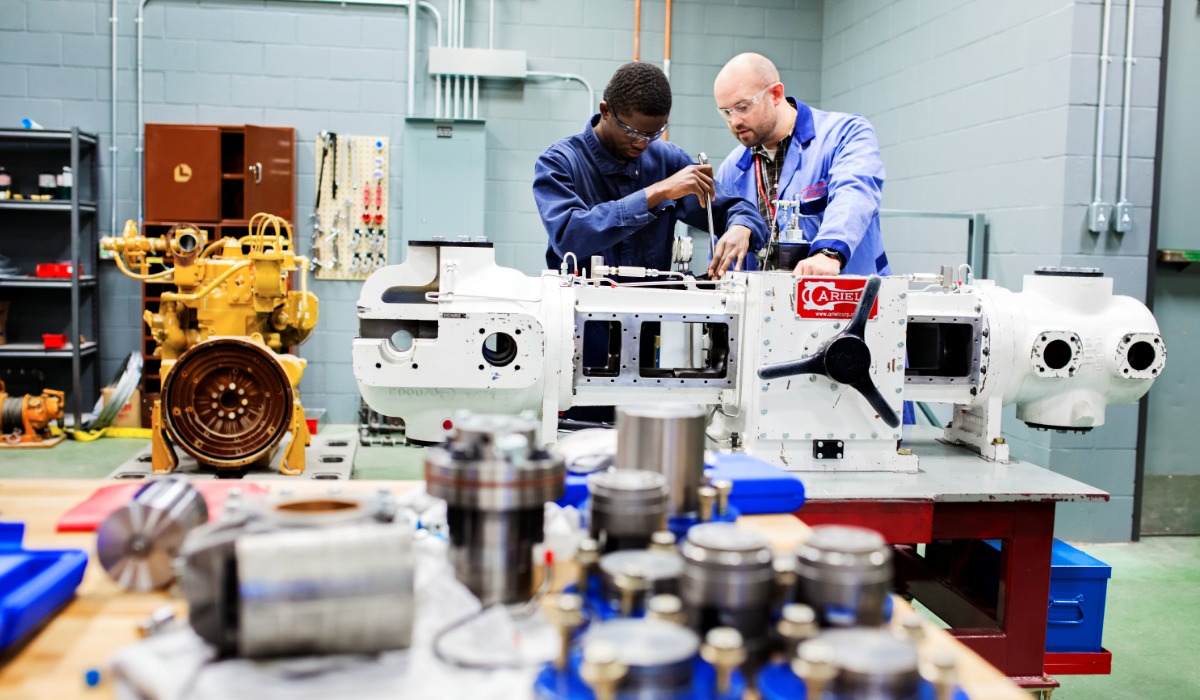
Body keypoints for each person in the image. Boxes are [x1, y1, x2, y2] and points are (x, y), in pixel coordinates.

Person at [534, 61, 767, 280]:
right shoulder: (559, 162)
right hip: (579, 319)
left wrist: (742, 225)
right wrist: (656, 193)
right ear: (606, 111)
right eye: (634, 133)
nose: (643, 143)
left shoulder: (669, 161)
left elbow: (733, 207)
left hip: (645, 319)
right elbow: (569, 237)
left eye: (654, 134)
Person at [712, 52, 890, 277]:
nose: (735, 121)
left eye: (743, 107)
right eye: (726, 112)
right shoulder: (731, 170)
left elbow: (855, 192)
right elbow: (724, 252)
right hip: (767, 305)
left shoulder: (846, 133)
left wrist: (829, 253)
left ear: (776, 94)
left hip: (847, 302)